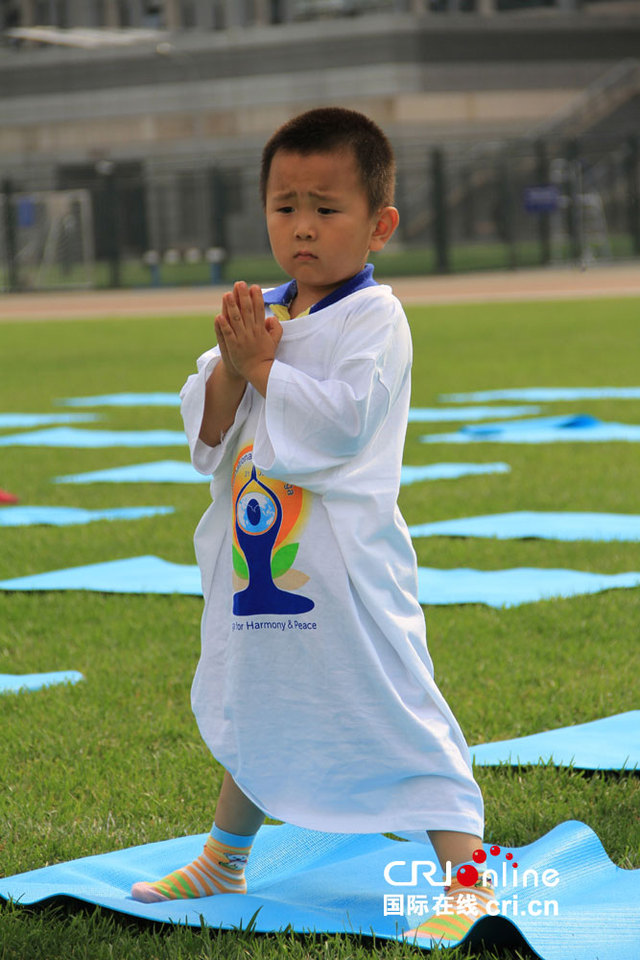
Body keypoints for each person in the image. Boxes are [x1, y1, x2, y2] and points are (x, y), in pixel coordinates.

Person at [132, 107, 492, 941]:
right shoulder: (263, 311)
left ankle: (468, 880)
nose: (302, 228)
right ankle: (224, 857)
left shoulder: (375, 319)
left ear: (380, 225)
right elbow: (207, 426)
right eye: (284, 206)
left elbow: (341, 427)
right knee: (261, 701)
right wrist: (233, 365)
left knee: (402, 710)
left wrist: (265, 366)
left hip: (347, 570)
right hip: (261, 568)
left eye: (326, 210)